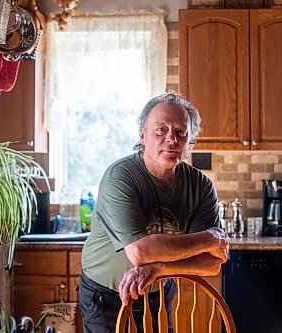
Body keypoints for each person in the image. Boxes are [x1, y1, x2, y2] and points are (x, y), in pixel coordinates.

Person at [79, 93, 230, 332]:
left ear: (190, 141)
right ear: (142, 135)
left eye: (181, 132)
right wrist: (210, 238)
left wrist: (158, 269)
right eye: (161, 129)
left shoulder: (200, 186)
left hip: (158, 290)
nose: (171, 139)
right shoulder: (121, 176)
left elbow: (212, 264)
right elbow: (140, 252)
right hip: (107, 294)